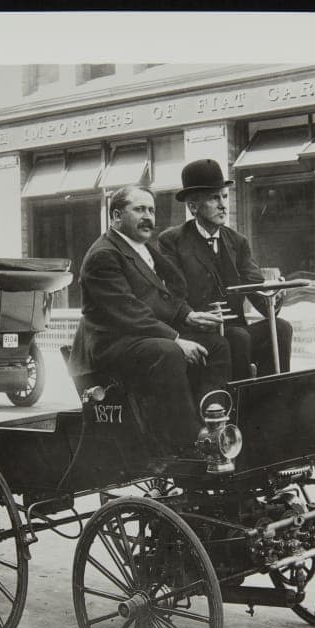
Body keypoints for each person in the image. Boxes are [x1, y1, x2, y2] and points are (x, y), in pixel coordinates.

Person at [68, 185, 231, 454]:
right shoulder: (104, 255)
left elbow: (163, 296)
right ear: (116, 216)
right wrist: (177, 338)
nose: (148, 217)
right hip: (112, 346)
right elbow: (129, 310)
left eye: (152, 210)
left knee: (216, 345)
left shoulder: (143, 248)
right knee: (168, 352)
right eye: (140, 209)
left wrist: (187, 315)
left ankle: (213, 422)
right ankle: (188, 439)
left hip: (141, 338)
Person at [158, 159, 292, 380]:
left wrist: (274, 294)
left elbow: (259, 295)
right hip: (198, 333)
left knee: (280, 328)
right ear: (193, 206)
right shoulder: (173, 241)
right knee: (238, 337)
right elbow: (172, 296)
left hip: (236, 330)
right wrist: (190, 315)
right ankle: (240, 407)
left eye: (224, 196)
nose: (223, 204)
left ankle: (274, 400)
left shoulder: (237, 241)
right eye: (214, 198)